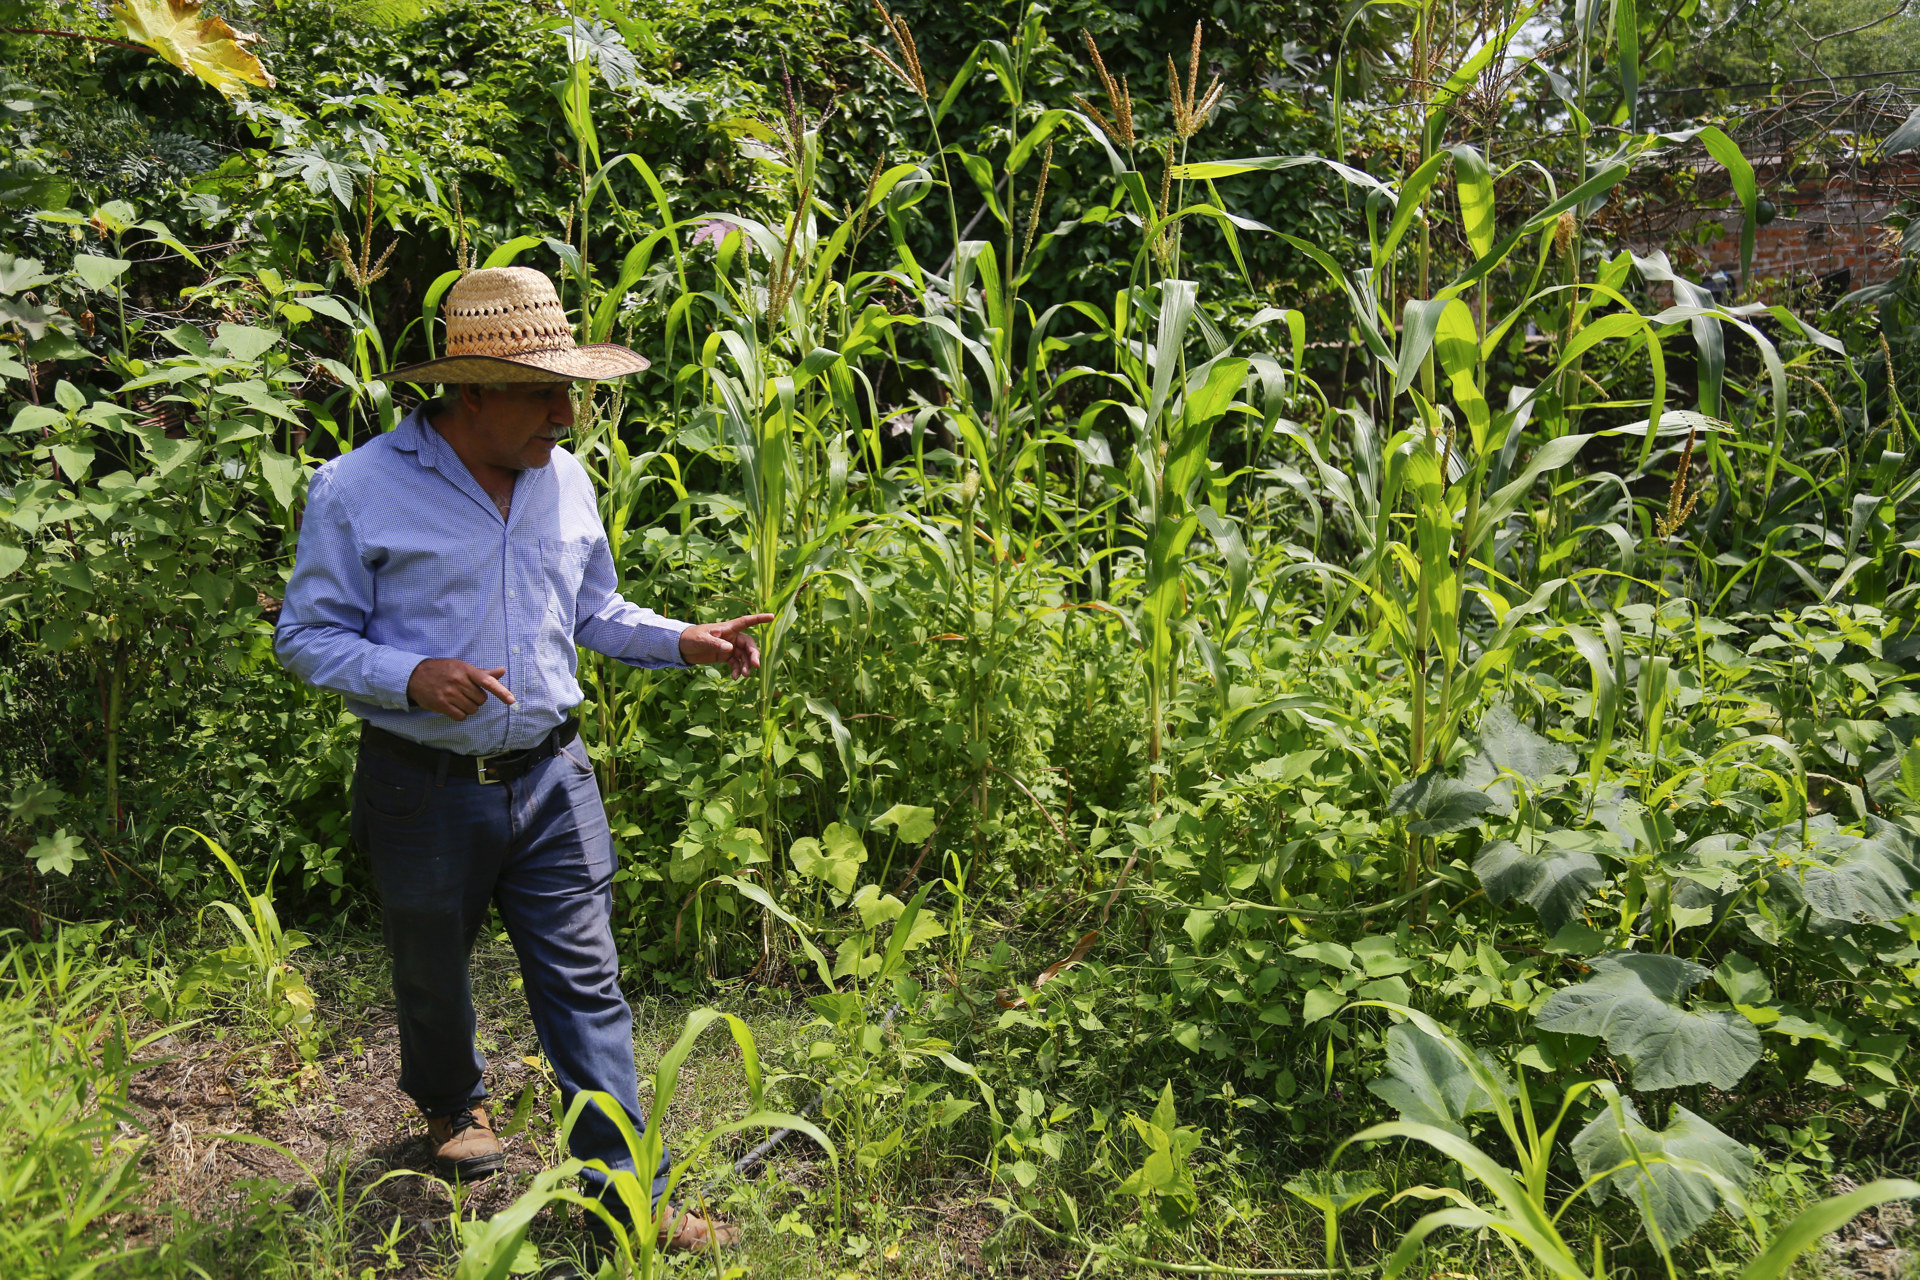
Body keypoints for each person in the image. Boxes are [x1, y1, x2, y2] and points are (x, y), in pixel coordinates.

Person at [275, 266, 760, 1253]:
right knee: (430, 968)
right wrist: (411, 674)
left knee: (589, 989)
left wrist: (682, 638)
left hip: (551, 776)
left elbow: (594, 611)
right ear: (472, 391)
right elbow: (304, 634)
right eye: (546, 389)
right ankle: (453, 1102)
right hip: (423, 786)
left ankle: (622, 1194)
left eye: (569, 385)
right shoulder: (358, 488)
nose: (567, 411)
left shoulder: (567, 479)